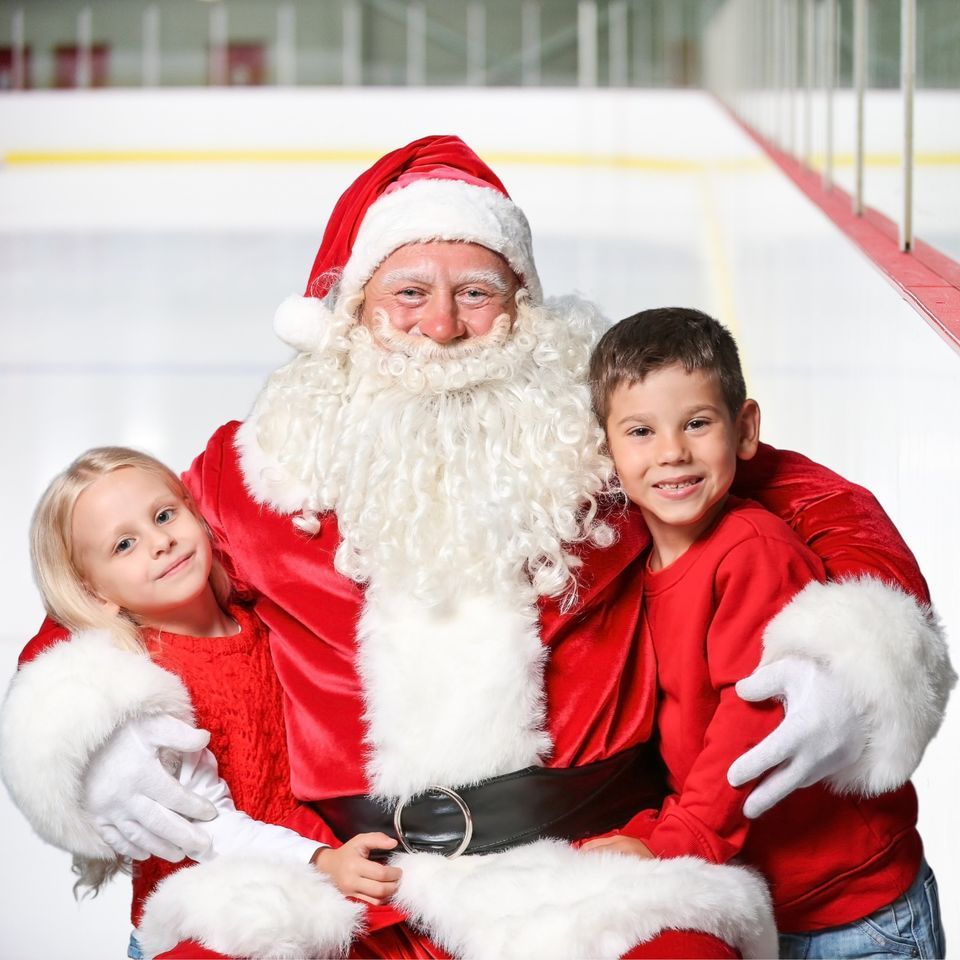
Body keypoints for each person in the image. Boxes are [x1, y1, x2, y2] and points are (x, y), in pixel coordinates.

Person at [0, 135, 954, 959]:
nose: (445, 327)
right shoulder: (255, 469)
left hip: (593, 873)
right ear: (352, 309)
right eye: (409, 292)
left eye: (477, 293)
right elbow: (107, 570)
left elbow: (811, 499)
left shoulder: (607, 440)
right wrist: (82, 723)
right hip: (351, 887)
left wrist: (855, 647)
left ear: (524, 309)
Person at [585, 307, 947, 958]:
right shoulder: (631, 562)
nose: (672, 452)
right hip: (756, 904)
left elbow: (751, 717)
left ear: (745, 430)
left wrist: (678, 838)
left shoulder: (751, 549)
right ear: (605, 449)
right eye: (641, 431)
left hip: (854, 913)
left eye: (698, 423)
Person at [22, 446, 406, 956]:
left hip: (295, 897)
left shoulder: (260, 622)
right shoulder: (144, 687)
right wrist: (318, 861)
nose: (160, 542)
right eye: (124, 545)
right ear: (95, 595)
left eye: (164, 515)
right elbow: (205, 828)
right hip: (206, 921)